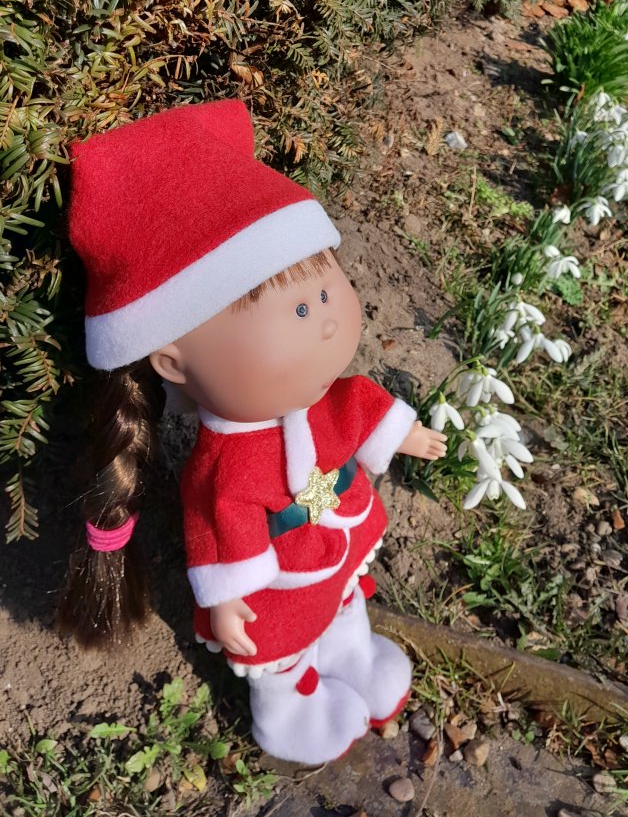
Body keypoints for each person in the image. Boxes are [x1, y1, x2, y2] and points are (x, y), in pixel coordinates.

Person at [57, 99, 446, 765]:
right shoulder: (226, 462)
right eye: (298, 307)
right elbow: (218, 525)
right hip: (278, 583)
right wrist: (229, 599)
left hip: (332, 536)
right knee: (280, 645)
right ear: (174, 361)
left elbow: (357, 405)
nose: (326, 319)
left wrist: (399, 431)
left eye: (325, 288)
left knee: (344, 598)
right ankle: (289, 705)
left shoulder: (321, 399)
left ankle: (350, 647)